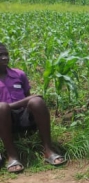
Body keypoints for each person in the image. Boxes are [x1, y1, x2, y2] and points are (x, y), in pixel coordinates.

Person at [0, 43, 66, 173]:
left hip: (23, 118)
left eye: (6, 54)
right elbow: (22, 101)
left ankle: (48, 150)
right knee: (2, 107)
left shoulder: (19, 74)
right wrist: (18, 103)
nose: (4, 58)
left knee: (37, 101)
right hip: (2, 121)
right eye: (0, 55)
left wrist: (29, 100)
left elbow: (29, 98)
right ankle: (12, 155)